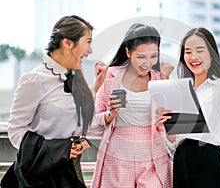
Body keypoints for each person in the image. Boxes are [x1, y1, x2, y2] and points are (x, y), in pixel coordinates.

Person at [1, 15, 108, 188]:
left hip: (71, 169)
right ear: (68, 43)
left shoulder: (74, 77)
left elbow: (71, 109)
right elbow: (15, 130)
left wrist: (96, 86)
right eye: (87, 42)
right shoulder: (34, 80)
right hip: (42, 175)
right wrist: (56, 149)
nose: (90, 51)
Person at [156, 27, 220, 188]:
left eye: (200, 50)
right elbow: (173, 142)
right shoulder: (182, 89)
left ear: (211, 53)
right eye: (188, 52)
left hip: (208, 162)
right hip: (181, 163)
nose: (193, 57)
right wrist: (166, 125)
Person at [90, 23, 174, 188]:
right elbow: (92, 119)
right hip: (117, 155)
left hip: (153, 154)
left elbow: (172, 124)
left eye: (153, 56)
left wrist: (166, 82)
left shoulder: (161, 79)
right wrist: (109, 115)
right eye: (141, 57)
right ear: (128, 52)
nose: (147, 63)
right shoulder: (111, 77)